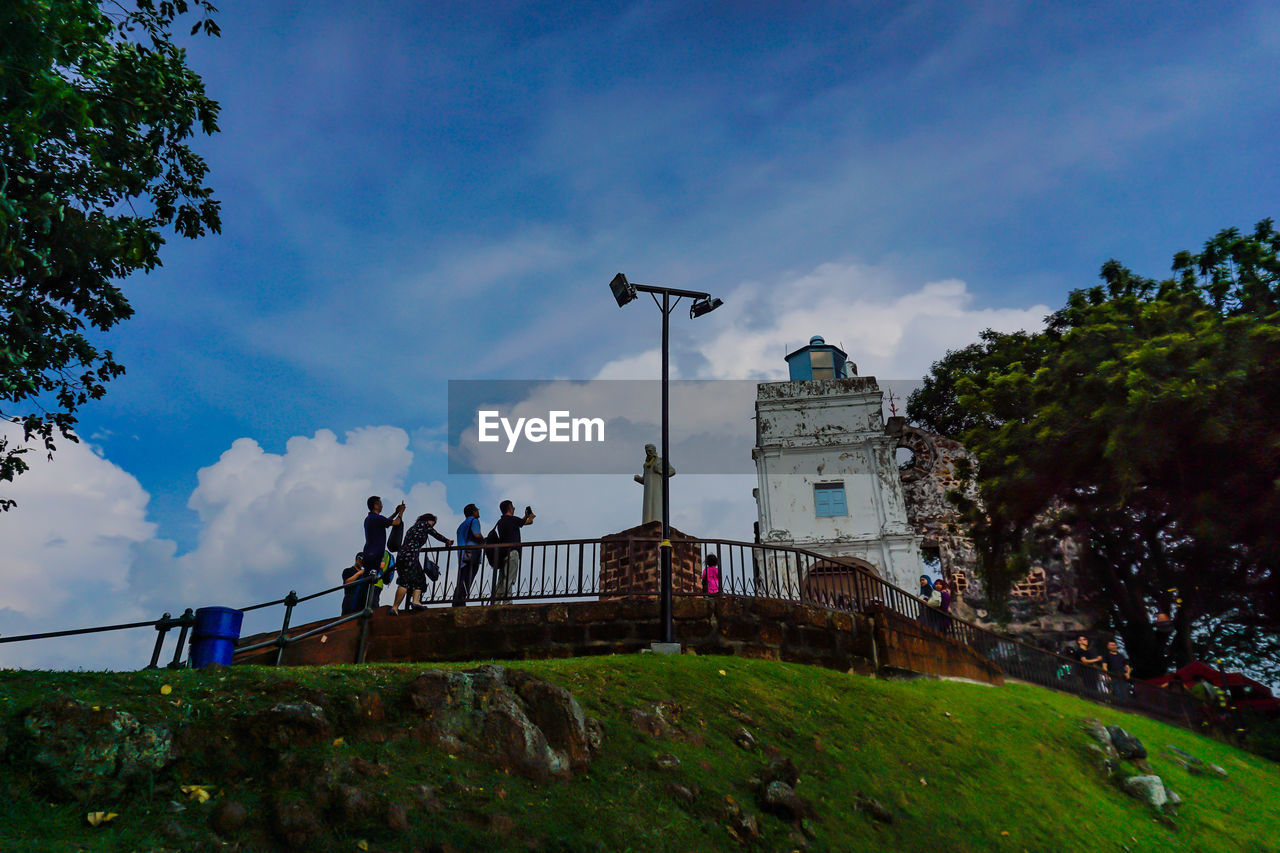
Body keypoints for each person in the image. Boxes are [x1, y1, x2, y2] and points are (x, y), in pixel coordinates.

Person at [392, 513, 452, 612]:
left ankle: (413, 602)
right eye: (433, 523)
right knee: (406, 581)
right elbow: (435, 534)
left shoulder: (413, 528)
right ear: (430, 520)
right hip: (411, 556)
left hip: (402, 556)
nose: (433, 525)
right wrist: (447, 541)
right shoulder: (424, 524)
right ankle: (396, 607)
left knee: (418, 578)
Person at [362, 495, 404, 609]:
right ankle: (371, 609)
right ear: (375, 505)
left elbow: (386, 522)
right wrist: (401, 513)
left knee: (369, 582)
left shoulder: (371, 519)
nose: (381, 505)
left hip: (369, 553)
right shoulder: (376, 518)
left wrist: (395, 513)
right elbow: (395, 523)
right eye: (380, 503)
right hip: (374, 555)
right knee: (374, 583)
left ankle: (368, 606)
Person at [492, 500, 535, 604]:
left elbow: (520, 522)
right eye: (513, 507)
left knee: (501, 578)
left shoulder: (501, 522)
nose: (514, 508)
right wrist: (531, 517)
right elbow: (529, 522)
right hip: (512, 553)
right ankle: (507, 601)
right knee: (510, 578)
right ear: (510, 508)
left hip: (503, 554)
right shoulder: (513, 520)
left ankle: (496, 602)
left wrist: (525, 517)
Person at [453, 504, 484, 607]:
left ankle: (457, 602)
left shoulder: (461, 526)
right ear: (473, 512)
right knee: (467, 581)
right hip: (472, 555)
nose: (478, 511)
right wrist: (484, 541)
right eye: (477, 509)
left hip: (462, 556)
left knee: (462, 579)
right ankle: (460, 603)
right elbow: (476, 534)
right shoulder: (474, 521)